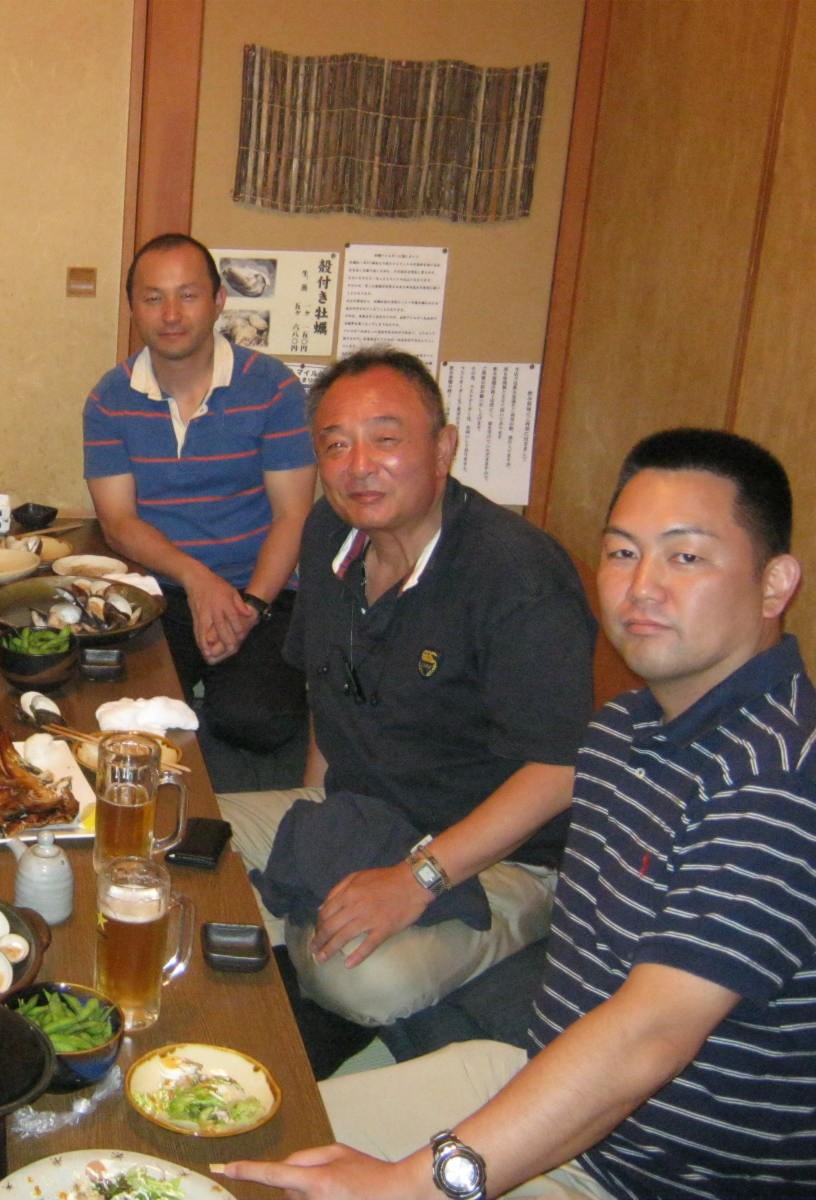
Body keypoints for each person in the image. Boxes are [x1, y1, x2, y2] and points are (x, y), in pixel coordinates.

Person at [217, 427, 816, 1200]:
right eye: (623, 552)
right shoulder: (624, 730)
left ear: (775, 584)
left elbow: (648, 1036)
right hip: (543, 1088)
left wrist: (413, 1184)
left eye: (687, 557)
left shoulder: (781, 780)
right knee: (227, 1147)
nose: (642, 587)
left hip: (650, 1179)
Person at [219, 348, 595, 1074]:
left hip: (499, 856)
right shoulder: (328, 534)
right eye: (336, 445)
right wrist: (314, 819)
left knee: (358, 977)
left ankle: (316, 939)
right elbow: (328, 694)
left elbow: (560, 770)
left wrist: (415, 878)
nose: (359, 466)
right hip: (365, 813)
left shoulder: (516, 575)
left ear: (443, 449)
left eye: (386, 439)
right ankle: (308, 916)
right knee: (171, 846)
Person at [84, 233, 316, 757]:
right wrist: (196, 579)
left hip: (263, 587)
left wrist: (249, 606)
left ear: (218, 301)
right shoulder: (108, 400)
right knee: (124, 714)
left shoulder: (274, 388)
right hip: (157, 590)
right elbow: (118, 522)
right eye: (153, 298)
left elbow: (294, 515)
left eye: (187, 295)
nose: (171, 314)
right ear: (133, 308)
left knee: (256, 721)